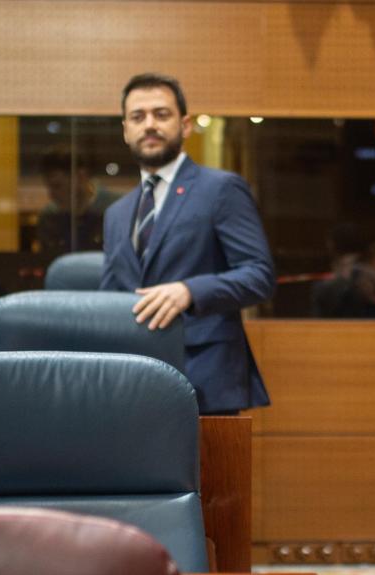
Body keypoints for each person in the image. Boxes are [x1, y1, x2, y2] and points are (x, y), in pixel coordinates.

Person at [101, 72, 275, 414]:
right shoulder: (116, 214)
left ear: (185, 125)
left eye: (161, 114)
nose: (149, 125)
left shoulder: (221, 189)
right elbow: (110, 297)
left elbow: (259, 276)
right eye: (138, 117)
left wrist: (189, 291)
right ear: (125, 130)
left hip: (206, 380)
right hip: (131, 385)